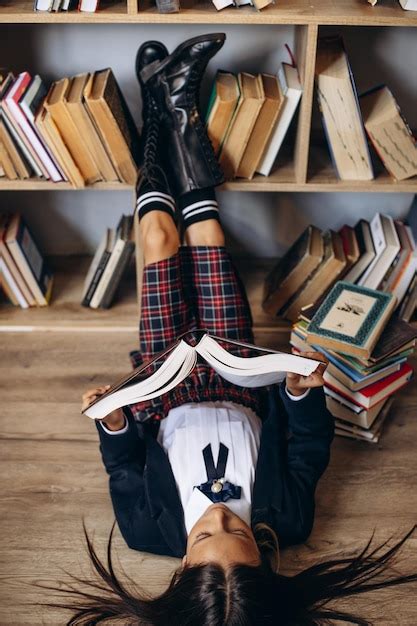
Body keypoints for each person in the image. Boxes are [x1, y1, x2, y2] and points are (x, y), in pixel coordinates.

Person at [60, 35, 416, 625]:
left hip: (165, 387)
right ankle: (170, 101)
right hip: (235, 378)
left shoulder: (147, 531)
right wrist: (302, 391)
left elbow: (122, 466)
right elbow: (307, 445)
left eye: (204, 537)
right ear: (266, 563)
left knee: (156, 241)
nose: (220, 519)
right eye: (240, 537)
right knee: (206, 236)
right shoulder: (290, 519)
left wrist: (116, 419)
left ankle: (160, 105)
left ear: (178, 571)